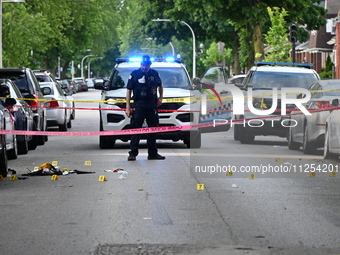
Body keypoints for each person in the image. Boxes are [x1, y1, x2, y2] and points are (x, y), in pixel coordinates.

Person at [125, 55, 165, 161]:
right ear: (140, 64)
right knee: (135, 130)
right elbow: (129, 90)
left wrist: (160, 98)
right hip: (139, 106)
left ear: (150, 65)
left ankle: (152, 153)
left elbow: (160, 85)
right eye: (143, 65)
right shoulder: (134, 74)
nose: (144, 67)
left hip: (152, 106)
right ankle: (133, 153)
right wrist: (128, 107)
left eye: (146, 65)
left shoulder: (154, 74)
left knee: (153, 130)